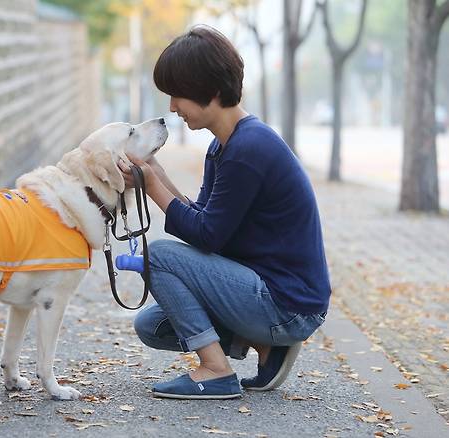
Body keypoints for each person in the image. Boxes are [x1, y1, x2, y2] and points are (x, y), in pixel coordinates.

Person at [118, 25, 331, 400]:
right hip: (269, 291)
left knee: (162, 255)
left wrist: (152, 187)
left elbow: (207, 237)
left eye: (177, 94)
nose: (172, 107)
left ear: (211, 91)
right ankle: (267, 347)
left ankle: (217, 371)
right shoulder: (226, 145)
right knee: (152, 326)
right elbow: (204, 218)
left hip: (288, 303)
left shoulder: (249, 149)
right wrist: (157, 174)